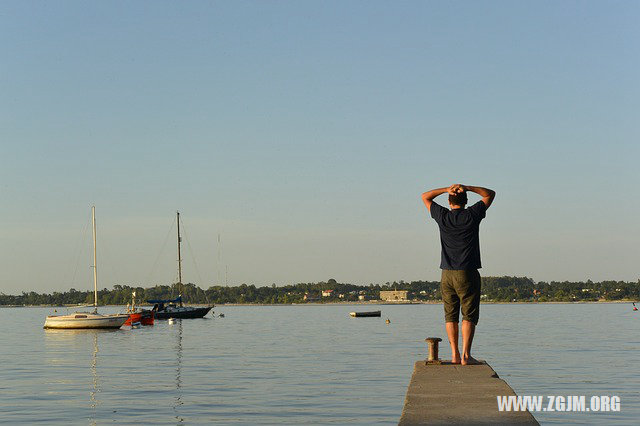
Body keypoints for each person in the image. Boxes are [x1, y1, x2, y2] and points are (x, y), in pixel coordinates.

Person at [422, 184, 496, 365]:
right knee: (468, 315)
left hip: (446, 273)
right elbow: (490, 194)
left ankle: (454, 354)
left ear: (449, 202)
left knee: (450, 315)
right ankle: (465, 356)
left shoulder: (443, 216)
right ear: (466, 202)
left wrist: (446, 189)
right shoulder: (472, 214)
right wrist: (467, 188)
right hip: (467, 271)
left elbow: (425, 197)